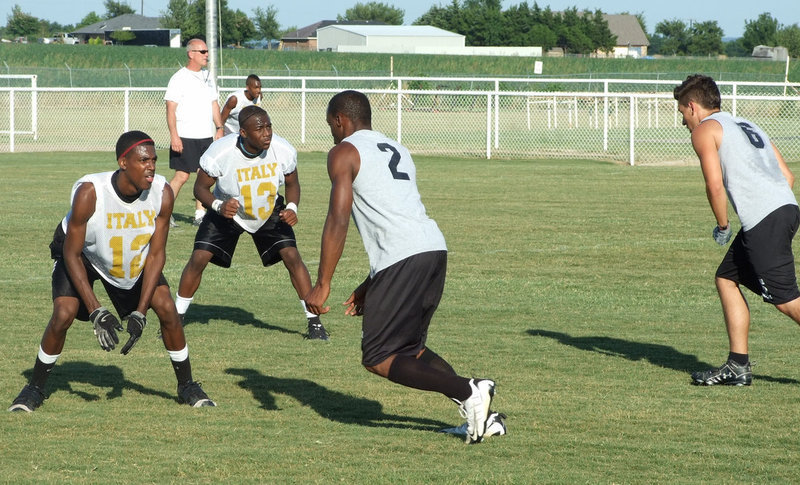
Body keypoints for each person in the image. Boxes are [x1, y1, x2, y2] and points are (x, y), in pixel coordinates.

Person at [305, 90, 505, 443]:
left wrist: (323, 283)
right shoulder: (396, 148)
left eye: (330, 125)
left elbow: (338, 217)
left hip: (403, 257)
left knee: (378, 356)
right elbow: (396, 212)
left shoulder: (344, 152)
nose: (331, 133)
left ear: (340, 120)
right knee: (411, 349)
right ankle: (482, 417)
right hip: (432, 249)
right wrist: (373, 281)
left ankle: (469, 390)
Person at [8, 131, 215, 412]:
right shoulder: (90, 192)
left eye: (154, 160)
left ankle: (187, 385)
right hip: (82, 254)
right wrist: (96, 311)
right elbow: (71, 253)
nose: (151, 167)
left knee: (167, 307)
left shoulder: (163, 192)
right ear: (123, 163)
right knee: (64, 312)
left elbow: (156, 255)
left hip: (125, 253)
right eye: (143, 160)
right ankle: (34, 388)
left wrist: (140, 313)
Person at [675, 74, 800, 386]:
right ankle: (738, 366)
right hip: (786, 208)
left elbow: (714, 184)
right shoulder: (748, 124)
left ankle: (738, 367)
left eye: (682, 113)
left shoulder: (704, 130)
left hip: (765, 219)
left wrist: (723, 224)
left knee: (786, 301)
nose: (683, 121)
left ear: (693, 106)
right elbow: (788, 176)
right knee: (726, 278)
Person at [175, 105, 330, 340]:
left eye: (269, 126)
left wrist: (291, 207)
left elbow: (292, 183)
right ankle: (176, 319)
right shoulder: (220, 152)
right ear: (243, 133)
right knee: (199, 257)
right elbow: (200, 188)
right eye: (260, 128)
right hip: (228, 207)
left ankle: (315, 323)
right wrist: (218, 206)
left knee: (292, 256)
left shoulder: (282, 149)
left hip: (267, 207)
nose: (267, 133)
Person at [165, 38, 224, 227]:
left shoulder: (208, 76)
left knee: (204, 176)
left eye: (207, 51)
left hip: (206, 136)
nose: (207, 55)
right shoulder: (179, 78)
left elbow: (214, 104)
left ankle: (200, 214)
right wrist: (174, 136)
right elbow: (170, 109)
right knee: (182, 176)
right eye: (203, 51)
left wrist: (219, 128)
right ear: (191, 54)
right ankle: (164, 212)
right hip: (185, 136)